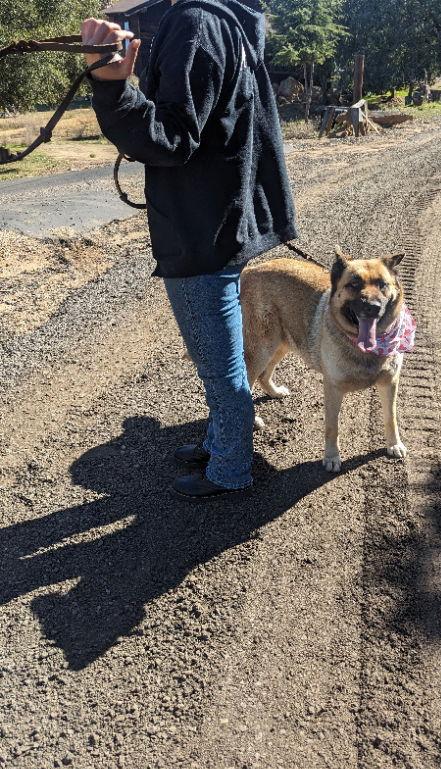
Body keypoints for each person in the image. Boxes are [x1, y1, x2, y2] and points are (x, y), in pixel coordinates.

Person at [81, 0, 297, 500]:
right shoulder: (234, 23)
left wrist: (111, 87)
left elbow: (171, 138)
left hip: (203, 228)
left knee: (217, 363)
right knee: (218, 355)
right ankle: (220, 440)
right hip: (226, 216)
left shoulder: (195, 23)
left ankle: (229, 469)